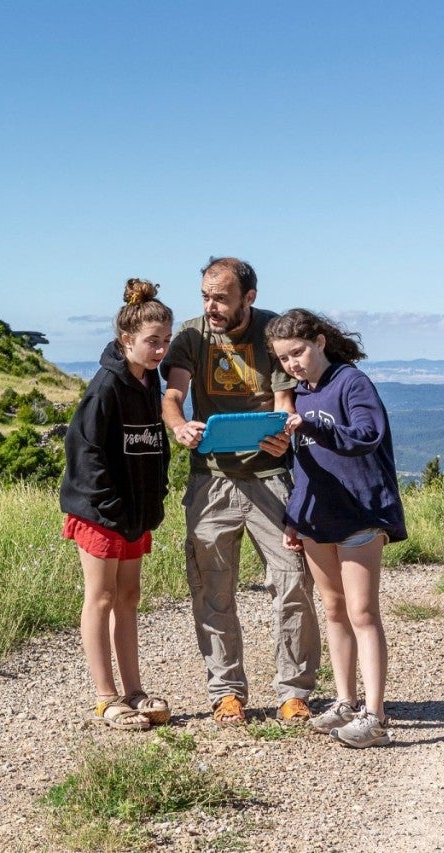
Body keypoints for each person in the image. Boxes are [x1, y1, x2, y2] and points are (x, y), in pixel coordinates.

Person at [160, 257, 320, 725]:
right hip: (210, 478)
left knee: (292, 580)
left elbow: (283, 400)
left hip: (270, 475)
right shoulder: (191, 335)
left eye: (222, 298)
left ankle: (294, 692)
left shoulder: (272, 332)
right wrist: (179, 426)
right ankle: (226, 691)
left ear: (248, 297)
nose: (212, 306)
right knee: (213, 587)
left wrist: (284, 432)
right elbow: (173, 395)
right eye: (206, 296)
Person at [264, 308, 407, 748]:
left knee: (363, 613)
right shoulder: (299, 397)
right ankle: (345, 702)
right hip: (314, 519)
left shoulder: (351, 382)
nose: (292, 365)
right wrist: (293, 516)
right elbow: (303, 466)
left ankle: (375, 716)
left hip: (360, 514)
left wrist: (311, 426)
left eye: (298, 353)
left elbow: (367, 434)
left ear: (320, 342)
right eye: (284, 359)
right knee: (334, 611)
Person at [60, 278, 175, 731]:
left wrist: (155, 496)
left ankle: (135, 691)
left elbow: (154, 443)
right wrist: (108, 504)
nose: (160, 350)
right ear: (127, 339)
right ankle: (107, 698)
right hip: (101, 513)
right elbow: (83, 450)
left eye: (165, 341)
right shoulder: (106, 385)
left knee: (129, 597)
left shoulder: (148, 380)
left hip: (135, 514)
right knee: (102, 597)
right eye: (152, 342)